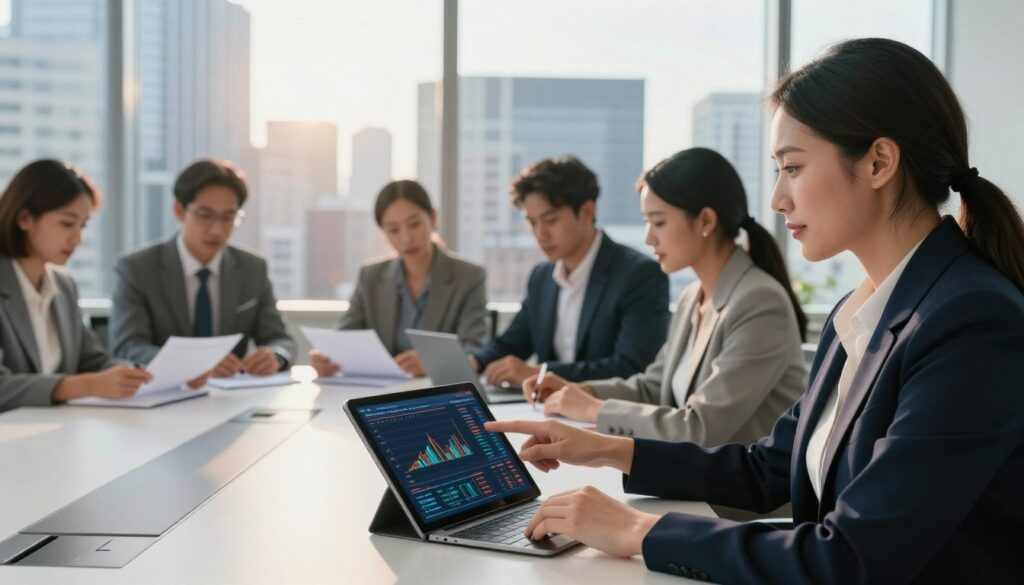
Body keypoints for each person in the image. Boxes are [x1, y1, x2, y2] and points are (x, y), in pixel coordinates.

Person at [487, 38, 1024, 584]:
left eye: (792, 168)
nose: (777, 200)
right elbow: (765, 468)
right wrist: (603, 448)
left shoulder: (971, 321)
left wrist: (639, 532)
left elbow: (852, 558)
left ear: (879, 162)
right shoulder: (862, 312)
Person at [523, 148, 807, 445]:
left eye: (658, 222)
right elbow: (654, 387)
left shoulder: (759, 302)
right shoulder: (691, 297)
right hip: (697, 480)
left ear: (705, 221)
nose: (649, 238)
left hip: (747, 487)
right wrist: (581, 391)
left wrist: (594, 410)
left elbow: (699, 427)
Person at [470, 156, 669, 385]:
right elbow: (514, 342)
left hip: (599, 414)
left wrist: (540, 373)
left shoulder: (639, 275)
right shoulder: (541, 277)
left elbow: (632, 367)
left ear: (587, 211)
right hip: (545, 409)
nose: (540, 233)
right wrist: (475, 361)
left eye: (550, 220)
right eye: (532, 222)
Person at [110, 159, 295, 381]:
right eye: (204, 215)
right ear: (179, 210)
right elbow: (127, 346)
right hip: (165, 393)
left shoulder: (253, 268)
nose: (217, 229)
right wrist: (192, 365)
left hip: (232, 397)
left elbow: (280, 339)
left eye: (228, 217)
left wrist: (275, 356)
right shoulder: (137, 268)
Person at [0, 160, 152, 411]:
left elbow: (91, 359)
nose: (78, 239)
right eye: (67, 223)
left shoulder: (64, 284)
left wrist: (129, 375)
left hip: (58, 432)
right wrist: (88, 386)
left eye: (83, 225)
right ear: (25, 218)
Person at [310, 180, 487, 378]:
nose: (406, 238)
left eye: (414, 224)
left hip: (436, 391)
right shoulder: (371, 277)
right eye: (393, 229)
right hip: (382, 393)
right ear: (383, 232)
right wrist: (327, 359)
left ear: (433, 218)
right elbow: (346, 336)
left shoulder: (468, 277)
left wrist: (432, 362)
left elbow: (474, 348)